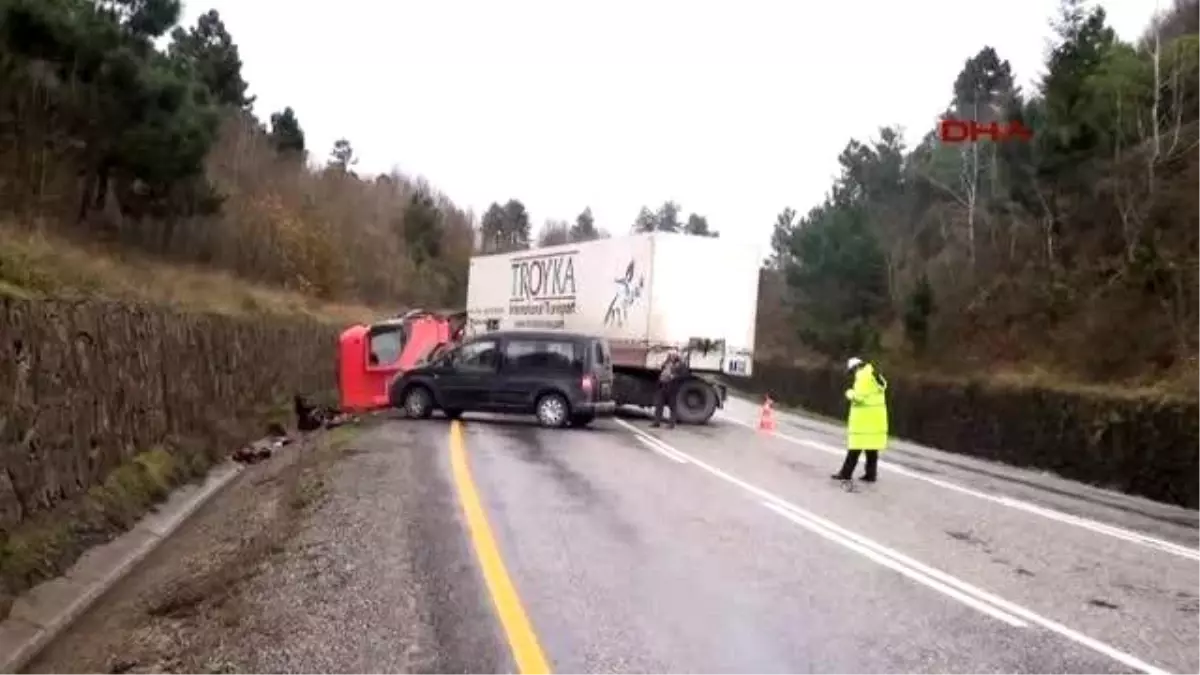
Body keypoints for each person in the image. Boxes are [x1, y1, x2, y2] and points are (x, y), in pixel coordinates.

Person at [831, 356, 889, 482]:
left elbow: (859, 398)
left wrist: (849, 393)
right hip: (876, 418)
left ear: (856, 368)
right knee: (871, 448)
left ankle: (845, 473)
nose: (852, 375)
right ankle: (871, 474)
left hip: (864, 420)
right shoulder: (873, 373)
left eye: (852, 372)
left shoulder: (863, 377)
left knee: (855, 448)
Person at [651, 349, 686, 428]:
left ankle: (671, 424)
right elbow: (662, 370)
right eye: (670, 355)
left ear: (677, 356)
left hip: (672, 387)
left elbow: (684, 376)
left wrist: (674, 376)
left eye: (673, 355)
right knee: (659, 405)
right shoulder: (667, 362)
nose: (671, 356)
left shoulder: (681, 364)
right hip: (663, 385)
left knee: (672, 406)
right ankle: (656, 422)